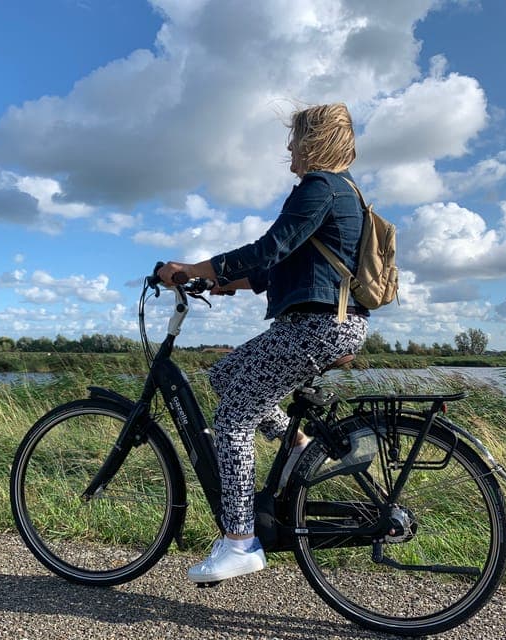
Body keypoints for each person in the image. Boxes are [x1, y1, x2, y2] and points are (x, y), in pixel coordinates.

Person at [157, 103, 369, 583]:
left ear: (315, 140)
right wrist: (217, 283)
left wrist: (195, 267)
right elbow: (274, 268)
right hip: (320, 322)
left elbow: (268, 248)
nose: (288, 148)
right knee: (226, 374)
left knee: (232, 418)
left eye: (294, 138)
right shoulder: (341, 192)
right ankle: (297, 446)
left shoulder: (322, 188)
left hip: (318, 326)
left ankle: (239, 541)